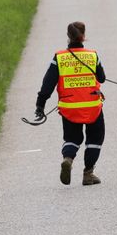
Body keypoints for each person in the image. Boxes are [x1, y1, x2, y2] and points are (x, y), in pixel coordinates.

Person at [34, 21, 106, 186]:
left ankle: (68, 158)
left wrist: (40, 104)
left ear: (68, 36)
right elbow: (102, 78)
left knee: (72, 138)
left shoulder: (59, 57)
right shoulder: (92, 55)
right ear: (84, 36)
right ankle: (88, 174)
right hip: (92, 106)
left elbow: (47, 84)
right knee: (95, 138)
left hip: (70, 108)